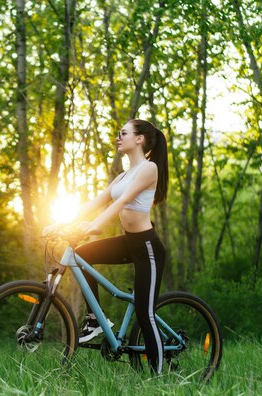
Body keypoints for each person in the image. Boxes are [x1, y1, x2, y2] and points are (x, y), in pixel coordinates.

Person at [43, 119, 168, 374]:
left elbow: (121, 202)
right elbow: (94, 202)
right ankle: (95, 320)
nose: (118, 138)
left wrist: (96, 224)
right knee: (82, 255)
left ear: (140, 139)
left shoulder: (149, 168)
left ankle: (158, 378)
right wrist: (59, 223)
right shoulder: (122, 176)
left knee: (146, 315)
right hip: (128, 243)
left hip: (148, 248)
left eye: (123, 133)